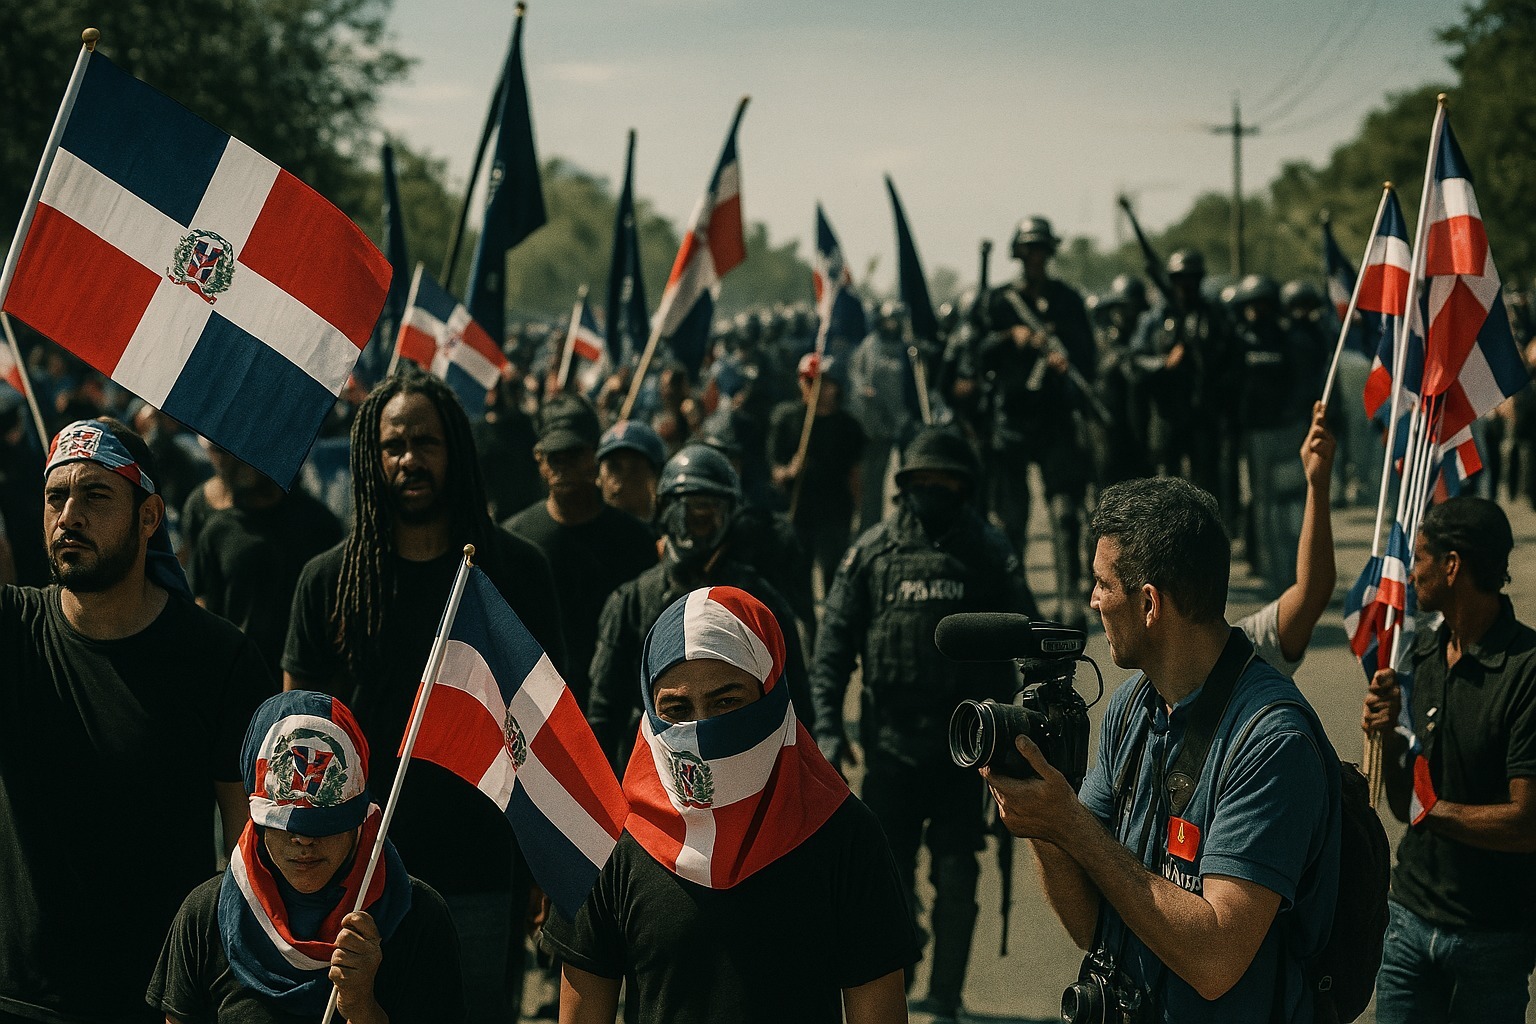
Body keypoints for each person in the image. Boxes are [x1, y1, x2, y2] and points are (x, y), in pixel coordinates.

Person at [985, 477, 1340, 1022]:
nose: (1093, 602)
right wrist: (1044, 823)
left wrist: (1073, 827)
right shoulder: (1133, 705)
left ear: (1150, 603)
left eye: (1104, 584)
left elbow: (1216, 960)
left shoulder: (1272, 742)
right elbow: (1093, 925)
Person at [282, 372, 566, 1023]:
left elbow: (546, 735)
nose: (410, 459)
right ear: (369, 458)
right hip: (357, 880)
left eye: (426, 442)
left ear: (456, 451)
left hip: (483, 872)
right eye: (393, 446)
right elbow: (302, 749)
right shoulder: (326, 583)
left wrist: (544, 868)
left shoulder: (516, 572)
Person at [540, 586, 919, 1024]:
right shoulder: (610, 841)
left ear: (771, 694)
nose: (703, 730)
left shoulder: (844, 834)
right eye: (677, 709)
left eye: (727, 702)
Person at [0, 418, 272, 1023]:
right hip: (20, 1000)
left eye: (96, 495)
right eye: (55, 496)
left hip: (156, 1002)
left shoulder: (218, 661)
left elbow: (247, 857)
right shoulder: (11, 631)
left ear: (150, 518)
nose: (69, 515)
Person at [810, 426, 1036, 1022]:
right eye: (923, 482)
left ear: (964, 487)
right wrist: (829, 731)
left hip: (968, 752)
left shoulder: (990, 553)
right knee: (884, 886)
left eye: (946, 482)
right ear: (905, 486)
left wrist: (1024, 738)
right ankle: (892, 995)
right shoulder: (872, 554)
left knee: (958, 875)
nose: (933, 492)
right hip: (890, 748)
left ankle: (947, 997)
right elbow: (831, 652)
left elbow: (1031, 644)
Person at [148, 690, 465, 1022]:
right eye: (283, 824)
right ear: (256, 820)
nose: (302, 841)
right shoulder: (206, 916)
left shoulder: (419, 918)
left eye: (323, 825)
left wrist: (361, 1007)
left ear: (360, 820)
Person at [1362, 497, 1536, 1024]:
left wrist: (1432, 814)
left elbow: (1526, 823)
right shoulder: (1421, 656)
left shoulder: (1526, 672)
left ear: (1452, 565)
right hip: (1410, 920)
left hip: (1492, 939)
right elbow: (1403, 800)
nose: (1410, 573)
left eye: (1419, 559)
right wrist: (1388, 734)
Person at [587, 444, 811, 768]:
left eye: (708, 512)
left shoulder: (759, 604)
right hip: (655, 773)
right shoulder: (631, 601)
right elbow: (604, 712)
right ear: (664, 510)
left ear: (730, 516)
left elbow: (797, 706)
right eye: (687, 511)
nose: (695, 524)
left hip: (743, 768)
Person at [978, 216, 1098, 630]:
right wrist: (1011, 337)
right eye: (1029, 250)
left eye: (1042, 250)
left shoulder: (1067, 299)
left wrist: (1067, 363)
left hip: (1055, 420)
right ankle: (1018, 603)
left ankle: (1069, 601)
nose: (1035, 258)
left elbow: (1088, 356)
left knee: (1065, 514)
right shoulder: (1000, 301)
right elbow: (974, 353)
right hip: (1012, 420)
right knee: (1012, 520)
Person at [505, 396, 658, 710]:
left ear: (594, 456)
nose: (563, 467)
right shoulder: (515, 540)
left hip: (620, 705)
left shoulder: (635, 540)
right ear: (539, 459)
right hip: (542, 708)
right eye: (554, 457)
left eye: (573, 455)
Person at [186, 444, 342, 678]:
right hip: (241, 678)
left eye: (250, 446)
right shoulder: (217, 531)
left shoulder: (320, 523)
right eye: (230, 451)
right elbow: (202, 608)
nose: (238, 459)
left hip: (311, 678)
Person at [1130, 249, 1239, 515]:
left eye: (1191, 278)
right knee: (1166, 486)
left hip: (1204, 412)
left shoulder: (1215, 314)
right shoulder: (1155, 318)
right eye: (1180, 279)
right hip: (1168, 412)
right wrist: (1164, 364)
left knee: (1207, 485)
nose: (1185, 285)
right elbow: (1134, 359)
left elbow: (1233, 358)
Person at [767, 352, 865, 599]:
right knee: (799, 581)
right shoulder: (787, 420)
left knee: (835, 575)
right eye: (809, 382)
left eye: (822, 383)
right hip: (800, 512)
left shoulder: (848, 426)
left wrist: (857, 509)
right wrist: (790, 471)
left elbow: (854, 472)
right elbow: (774, 471)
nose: (816, 390)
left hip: (834, 511)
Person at [848, 300, 918, 532]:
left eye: (896, 321)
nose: (893, 325)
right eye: (889, 320)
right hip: (876, 426)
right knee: (872, 486)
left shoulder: (909, 349)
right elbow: (857, 379)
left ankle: (912, 527)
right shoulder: (869, 347)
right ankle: (870, 530)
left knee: (912, 480)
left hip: (906, 423)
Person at [596, 419, 667, 524]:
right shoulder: (583, 534)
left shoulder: (673, 534)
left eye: (635, 469)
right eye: (613, 467)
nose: (621, 481)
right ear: (598, 478)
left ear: (656, 479)